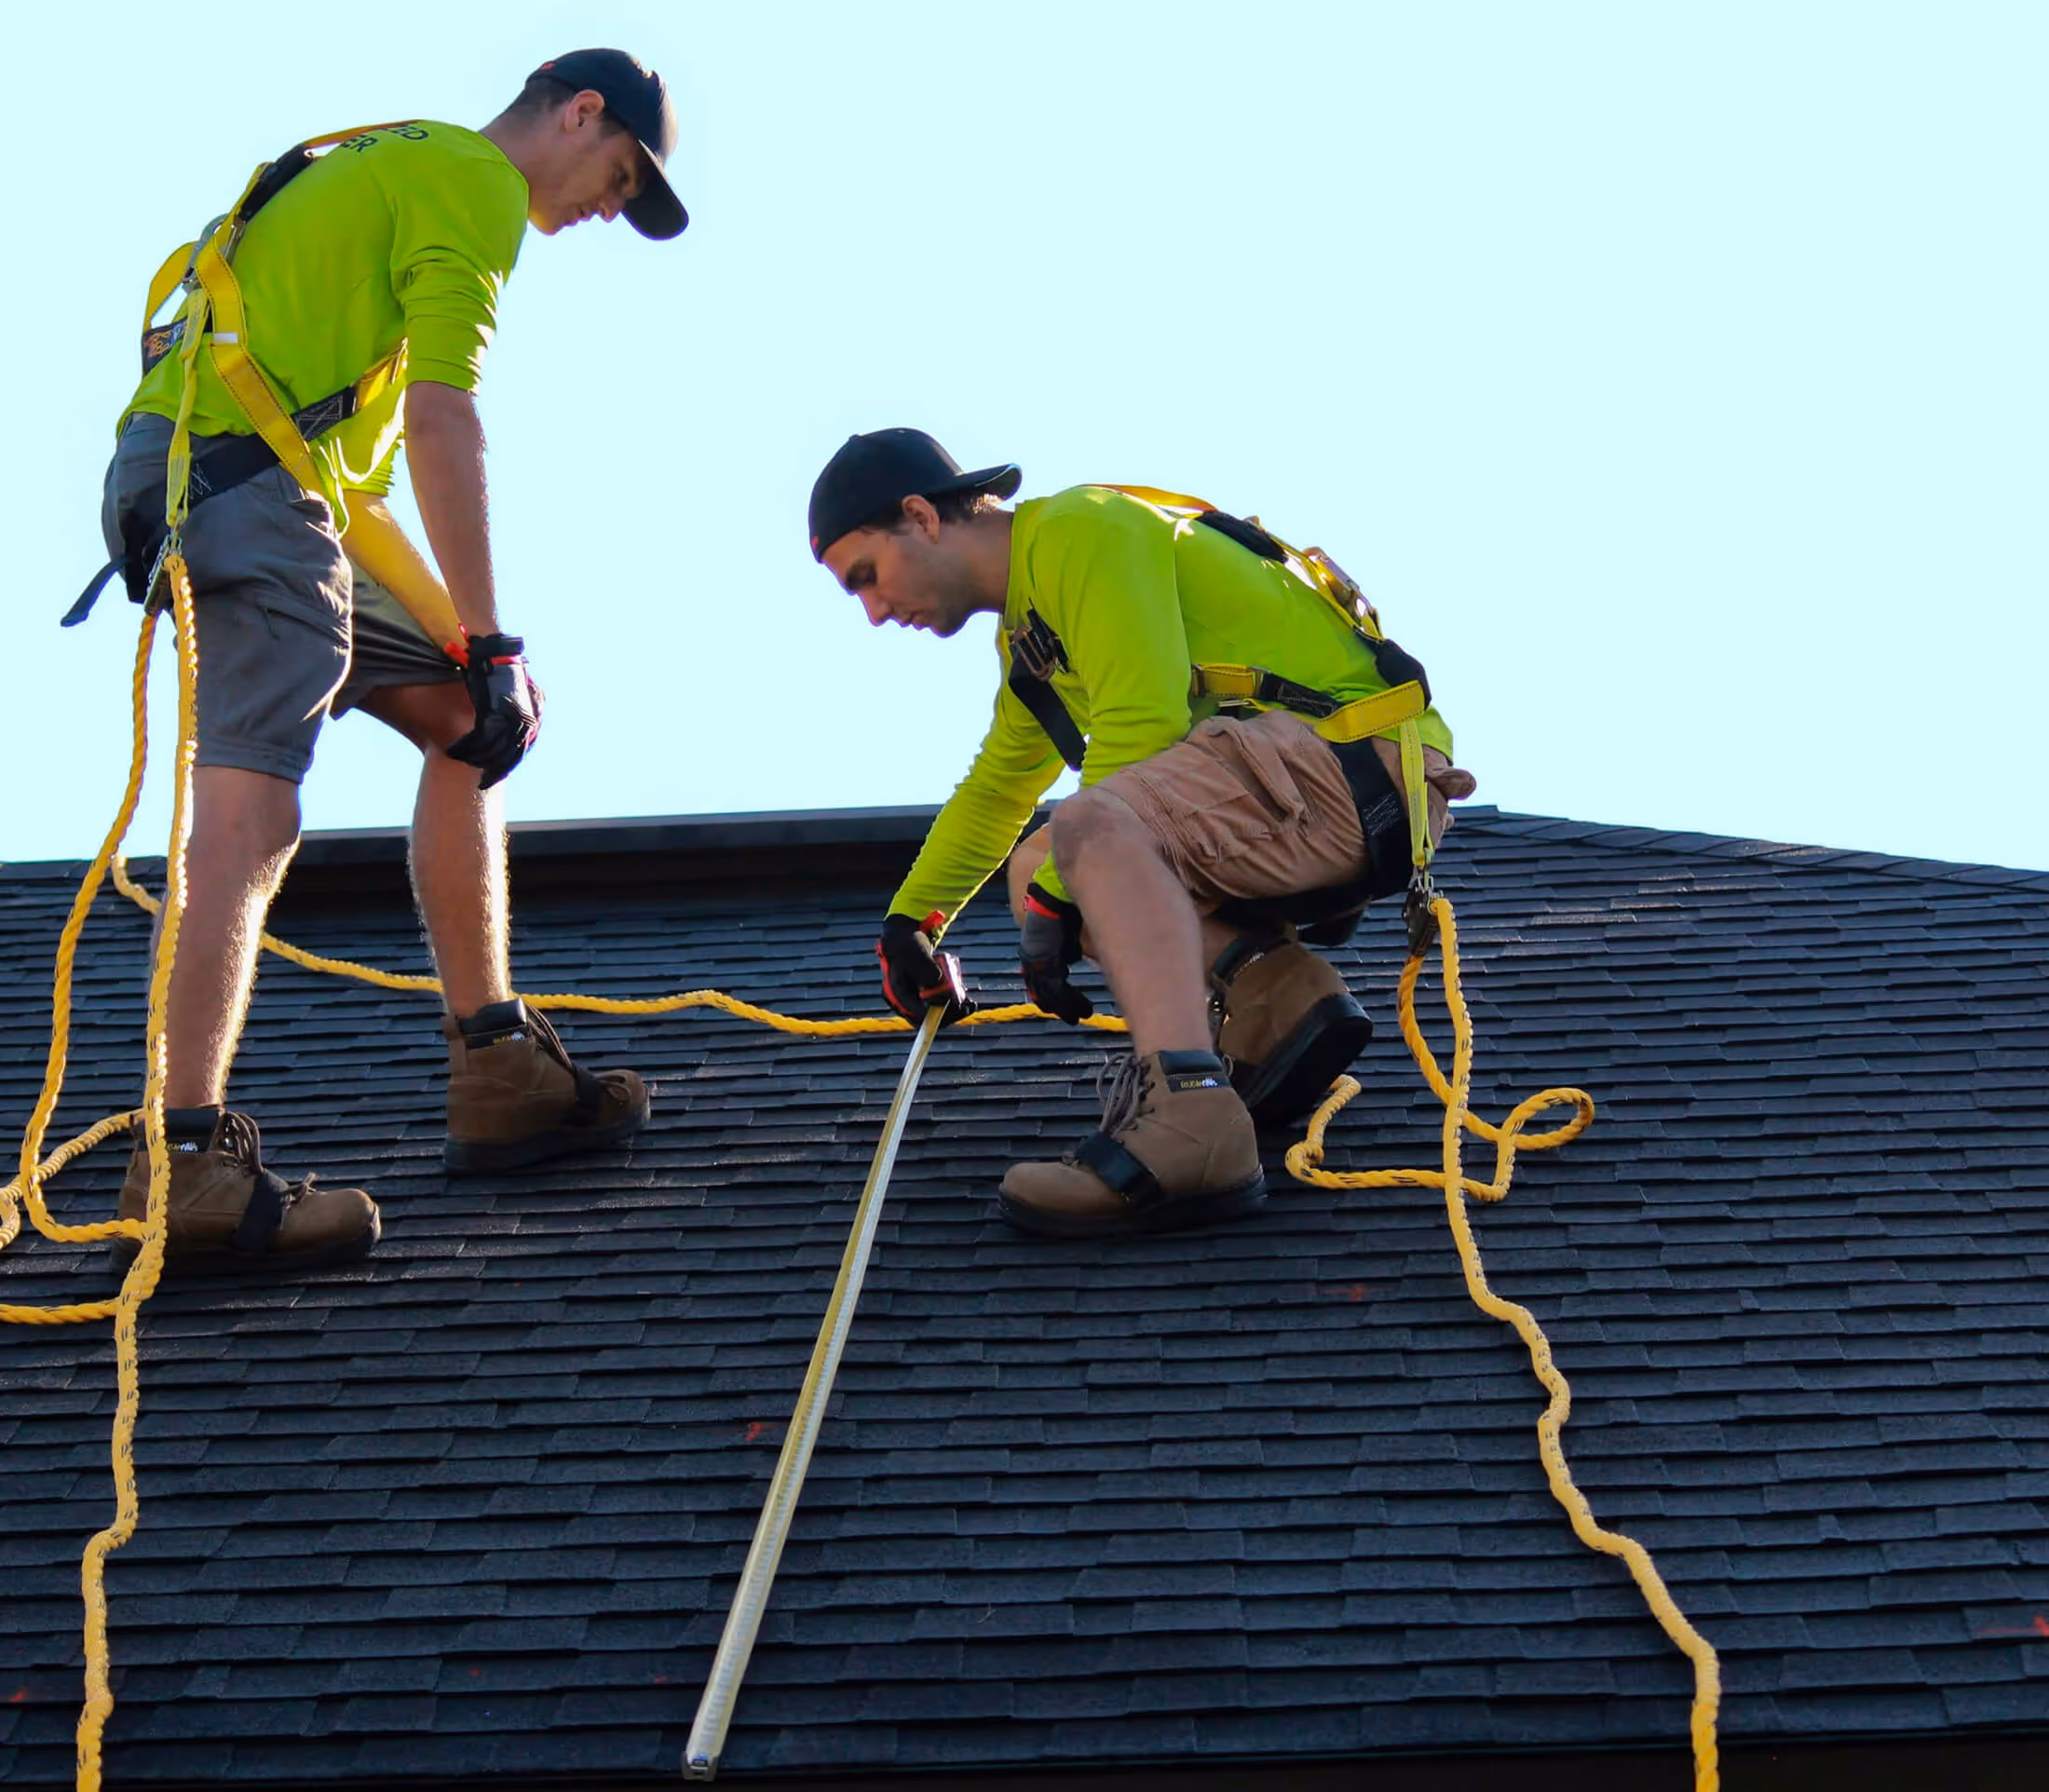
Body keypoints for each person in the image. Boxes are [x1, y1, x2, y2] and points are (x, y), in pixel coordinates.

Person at [87, 50, 689, 1277]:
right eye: (619, 176)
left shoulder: (392, 164)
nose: (605, 211)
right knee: (251, 815)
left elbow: (346, 484)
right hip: (240, 492)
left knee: (476, 724)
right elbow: (442, 418)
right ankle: (185, 1161)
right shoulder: (469, 181)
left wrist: (476, 654)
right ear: (580, 114)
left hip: (248, 483)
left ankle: (496, 1070)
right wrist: (498, 622)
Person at [808, 428, 1476, 1241]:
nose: (874, 613)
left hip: (1351, 766)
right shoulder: (1032, 636)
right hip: (1308, 783)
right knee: (1037, 861)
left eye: (866, 578)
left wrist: (1065, 890)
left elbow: (1143, 725)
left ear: (920, 516)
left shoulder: (1078, 530)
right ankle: (1276, 996)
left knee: (1083, 831)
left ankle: (1191, 1121)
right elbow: (997, 789)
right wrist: (912, 921)